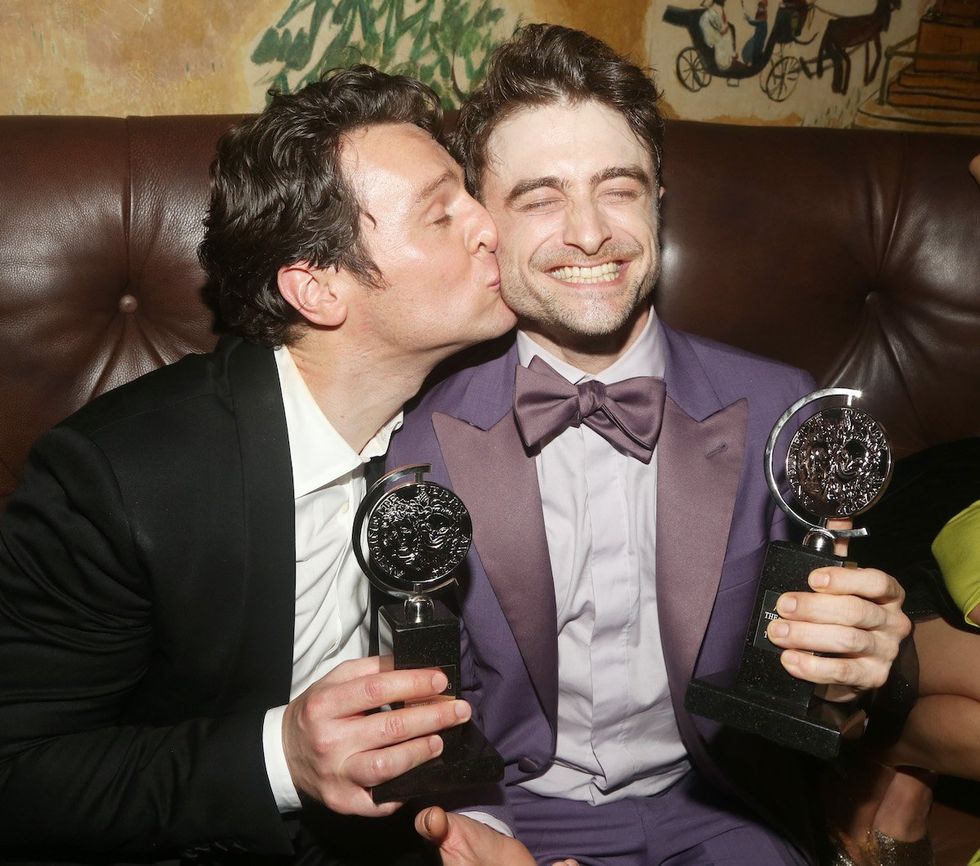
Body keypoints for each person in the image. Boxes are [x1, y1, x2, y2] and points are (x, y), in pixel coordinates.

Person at [388, 24, 911, 866]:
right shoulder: (424, 438)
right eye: (540, 197)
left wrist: (871, 674)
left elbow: (842, 677)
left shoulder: (783, 409)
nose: (590, 233)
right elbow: (423, 697)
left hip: (721, 803)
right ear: (485, 224)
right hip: (515, 811)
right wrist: (474, 834)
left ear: (660, 195)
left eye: (618, 187)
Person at [0, 66, 516, 863]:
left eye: (470, 195)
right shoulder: (115, 482)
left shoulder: (482, 415)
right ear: (318, 288)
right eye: (441, 214)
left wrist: (472, 821)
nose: (489, 225)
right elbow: (19, 775)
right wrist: (281, 755)